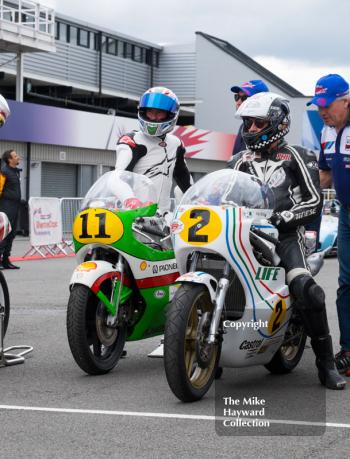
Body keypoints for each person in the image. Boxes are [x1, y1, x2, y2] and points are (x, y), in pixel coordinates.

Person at [228, 91, 345, 390]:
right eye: (248, 123)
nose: (251, 129)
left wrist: (285, 218)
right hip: (241, 234)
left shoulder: (297, 156)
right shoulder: (238, 160)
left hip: (284, 237)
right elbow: (221, 195)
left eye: (258, 123)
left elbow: (314, 201)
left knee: (308, 291)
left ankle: (326, 365)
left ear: (278, 124)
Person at [115, 86, 192, 357]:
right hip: (131, 215)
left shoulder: (175, 144)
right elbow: (118, 177)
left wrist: (195, 200)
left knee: (180, 268)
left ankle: (171, 333)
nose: (154, 117)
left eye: (160, 113)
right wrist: (130, 201)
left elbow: (183, 178)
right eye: (150, 112)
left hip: (162, 218)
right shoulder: (130, 142)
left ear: (171, 116)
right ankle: (110, 326)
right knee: (121, 269)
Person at [307, 74, 350, 375]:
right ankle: (348, 349)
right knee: (346, 284)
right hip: (346, 214)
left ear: (346, 101)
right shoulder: (326, 131)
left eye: (327, 105)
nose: (322, 111)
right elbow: (323, 177)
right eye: (318, 105)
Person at [228, 79, 269, 161]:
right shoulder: (243, 126)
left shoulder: (266, 128)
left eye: (244, 98)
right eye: (237, 97)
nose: (238, 102)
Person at [0, 149, 22, 269]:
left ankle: (6, 260)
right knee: (4, 233)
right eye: (15, 155)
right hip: (6, 206)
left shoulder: (15, 172)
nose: (18, 157)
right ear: (10, 159)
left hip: (15, 206)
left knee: (12, 233)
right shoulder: (4, 171)